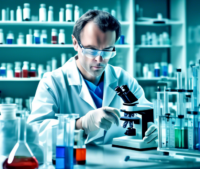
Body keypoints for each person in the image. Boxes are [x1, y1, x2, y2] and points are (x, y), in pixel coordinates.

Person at [28, 10, 155, 144]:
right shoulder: (53, 83)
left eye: (107, 50)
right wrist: (80, 124)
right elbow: (35, 131)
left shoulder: (124, 79)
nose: (99, 59)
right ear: (76, 43)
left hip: (120, 160)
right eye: (91, 50)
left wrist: (152, 128)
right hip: (75, 161)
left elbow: (146, 113)